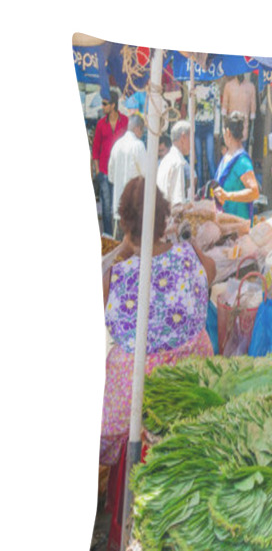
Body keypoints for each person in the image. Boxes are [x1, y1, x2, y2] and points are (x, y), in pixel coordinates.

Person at [100, 176, 216, 466]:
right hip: (191, 384)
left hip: (135, 400)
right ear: (164, 220)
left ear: (125, 224)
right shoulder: (186, 255)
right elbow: (211, 272)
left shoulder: (116, 274)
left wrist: (126, 248)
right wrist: (185, 243)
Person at [92, 91, 129, 236]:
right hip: (104, 170)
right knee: (107, 206)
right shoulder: (101, 124)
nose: (102, 106)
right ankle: (108, 235)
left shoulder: (125, 121)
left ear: (113, 105)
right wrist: (97, 171)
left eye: (105, 104)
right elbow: (96, 148)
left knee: (120, 204)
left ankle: (120, 234)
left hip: (120, 169)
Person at [212, 112, 260, 224]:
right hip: (225, 222)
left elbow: (254, 192)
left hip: (238, 226)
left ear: (228, 133)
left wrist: (228, 196)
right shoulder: (227, 156)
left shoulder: (242, 161)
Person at [107, 114, 147, 237]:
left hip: (118, 210)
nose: (142, 133)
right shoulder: (138, 145)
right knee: (133, 251)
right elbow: (147, 175)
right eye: (142, 130)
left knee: (119, 252)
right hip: (133, 210)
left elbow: (111, 177)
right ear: (138, 128)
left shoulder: (117, 145)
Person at [157, 120, 191, 207]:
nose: (192, 143)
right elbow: (177, 203)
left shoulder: (167, 160)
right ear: (183, 137)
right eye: (191, 138)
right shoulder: (177, 163)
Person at [221, 73, 257, 152]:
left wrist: (251, 134)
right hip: (231, 128)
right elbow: (224, 111)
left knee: (241, 153)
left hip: (244, 129)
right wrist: (223, 131)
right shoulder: (229, 86)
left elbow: (253, 115)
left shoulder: (250, 87)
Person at [194, 80, 219, 188]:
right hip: (197, 125)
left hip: (209, 125)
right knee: (198, 159)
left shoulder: (214, 88)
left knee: (210, 158)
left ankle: (214, 188)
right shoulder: (195, 88)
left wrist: (216, 130)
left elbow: (217, 109)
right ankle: (200, 188)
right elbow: (192, 108)